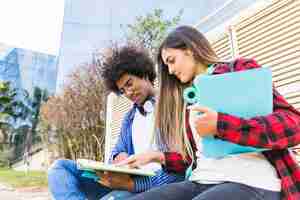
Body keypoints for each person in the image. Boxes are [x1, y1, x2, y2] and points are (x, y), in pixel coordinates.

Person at [123, 26, 300, 200]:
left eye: (171, 60)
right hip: (203, 179)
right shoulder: (189, 99)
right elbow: (193, 157)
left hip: (251, 179)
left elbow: (293, 125)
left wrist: (220, 125)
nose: (170, 70)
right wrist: (155, 156)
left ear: (190, 50)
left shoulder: (239, 69)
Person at [47, 44, 184, 200]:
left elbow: (179, 170)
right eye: (122, 90)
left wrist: (131, 184)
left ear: (145, 74)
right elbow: (116, 152)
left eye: (129, 83)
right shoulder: (130, 118)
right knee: (60, 168)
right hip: (124, 180)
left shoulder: (171, 107)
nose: (128, 93)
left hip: (150, 186)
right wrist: (119, 156)